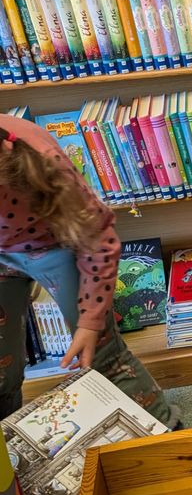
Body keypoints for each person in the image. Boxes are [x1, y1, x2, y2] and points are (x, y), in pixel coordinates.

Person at [0, 116, 178, 427]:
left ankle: (166, 430)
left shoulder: (40, 160)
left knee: (100, 354)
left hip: (58, 247)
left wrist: (90, 322)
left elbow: (98, 240)